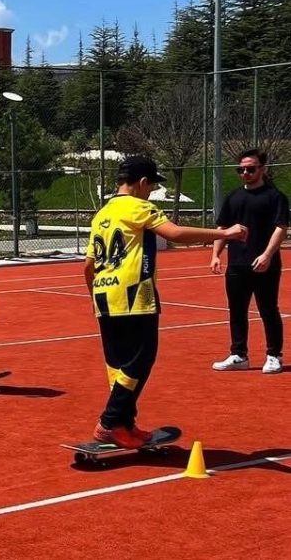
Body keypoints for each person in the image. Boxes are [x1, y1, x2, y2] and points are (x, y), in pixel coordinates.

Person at [84, 156, 247, 448]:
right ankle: (109, 423)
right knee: (141, 359)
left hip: (103, 294)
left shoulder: (102, 213)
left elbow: (88, 264)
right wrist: (224, 233)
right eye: (151, 186)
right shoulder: (140, 207)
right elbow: (174, 233)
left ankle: (124, 424)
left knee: (119, 364)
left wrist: (95, 296)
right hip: (135, 294)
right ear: (142, 182)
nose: (151, 192)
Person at [211, 149, 288, 375]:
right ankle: (239, 355)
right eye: (241, 169)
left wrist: (266, 255)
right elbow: (223, 228)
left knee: (268, 310)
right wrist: (216, 254)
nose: (245, 172)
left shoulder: (275, 197)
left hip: (265, 265)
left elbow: (281, 228)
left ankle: (274, 356)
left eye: (251, 168)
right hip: (237, 265)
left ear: (262, 169)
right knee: (236, 311)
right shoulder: (233, 197)